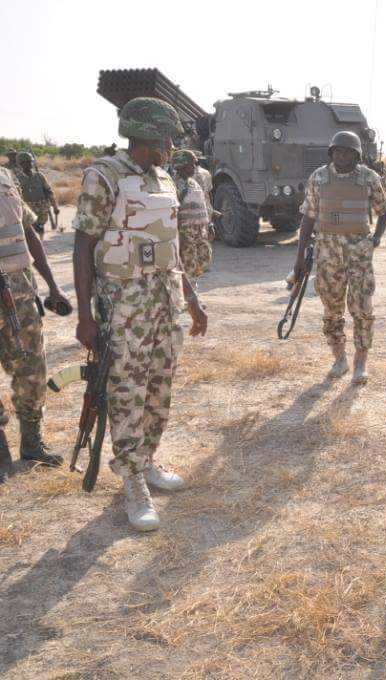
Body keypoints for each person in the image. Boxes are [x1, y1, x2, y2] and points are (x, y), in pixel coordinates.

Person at [72, 97, 208, 531]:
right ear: (146, 135)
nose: (172, 146)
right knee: (127, 393)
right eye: (167, 137)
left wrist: (191, 297)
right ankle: (131, 481)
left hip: (164, 303)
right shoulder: (104, 176)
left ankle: (146, 460)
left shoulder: (164, 178)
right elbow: (83, 247)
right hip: (124, 308)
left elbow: (170, 251)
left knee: (158, 389)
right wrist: (86, 318)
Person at [293, 130, 386, 383]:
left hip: (359, 255)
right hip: (328, 255)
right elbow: (308, 217)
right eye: (337, 151)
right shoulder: (319, 177)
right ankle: (339, 358)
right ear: (331, 152)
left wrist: (375, 239)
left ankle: (360, 362)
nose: (341, 155)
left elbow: (384, 210)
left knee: (362, 309)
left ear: (356, 155)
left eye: (347, 152)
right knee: (331, 309)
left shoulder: (369, 178)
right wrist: (300, 256)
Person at [0, 164, 72, 482]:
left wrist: (54, 286)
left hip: (21, 298)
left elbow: (28, 231)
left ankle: (32, 445)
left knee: (32, 373)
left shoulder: (5, 177)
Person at [169, 150, 213, 281]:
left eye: (195, 164)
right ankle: (189, 298)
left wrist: (209, 224)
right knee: (187, 266)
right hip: (185, 234)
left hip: (200, 232)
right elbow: (173, 212)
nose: (194, 167)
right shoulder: (176, 185)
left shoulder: (194, 183)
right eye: (191, 165)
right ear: (180, 166)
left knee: (200, 262)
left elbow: (205, 204)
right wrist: (178, 236)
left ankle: (193, 293)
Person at [16, 152, 58, 235]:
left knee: (41, 228)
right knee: (31, 230)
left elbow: (49, 191)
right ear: (21, 164)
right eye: (27, 162)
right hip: (28, 209)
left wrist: (55, 206)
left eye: (30, 162)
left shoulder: (39, 176)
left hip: (42, 207)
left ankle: (40, 244)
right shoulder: (17, 179)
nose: (30, 164)